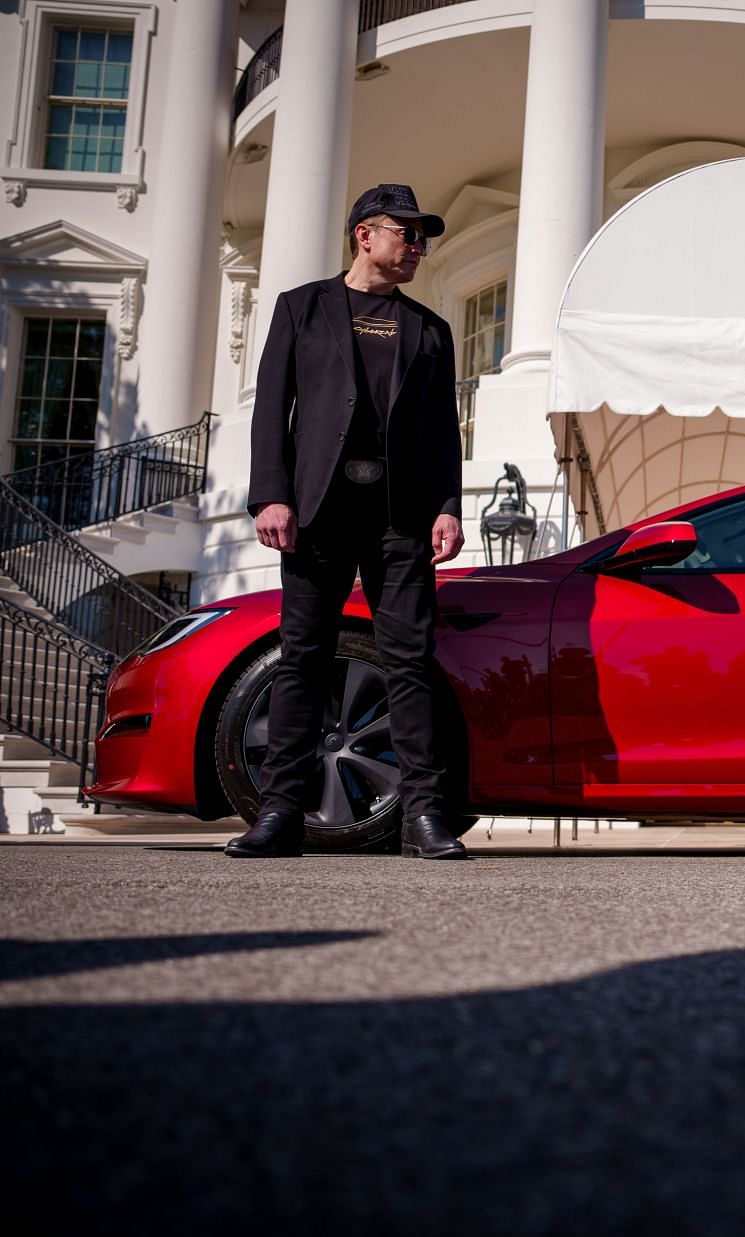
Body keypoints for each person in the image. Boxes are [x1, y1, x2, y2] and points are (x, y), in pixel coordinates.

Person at [225, 184, 468, 860]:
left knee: (409, 664)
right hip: (318, 512)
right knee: (302, 659)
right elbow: (272, 406)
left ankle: (425, 816)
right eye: (408, 233)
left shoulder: (430, 330)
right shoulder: (302, 309)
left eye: (424, 237)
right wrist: (270, 494)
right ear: (366, 234)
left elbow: (443, 432)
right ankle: (279, 814)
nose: (418, 247)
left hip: (402, 518)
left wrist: (448, 505)